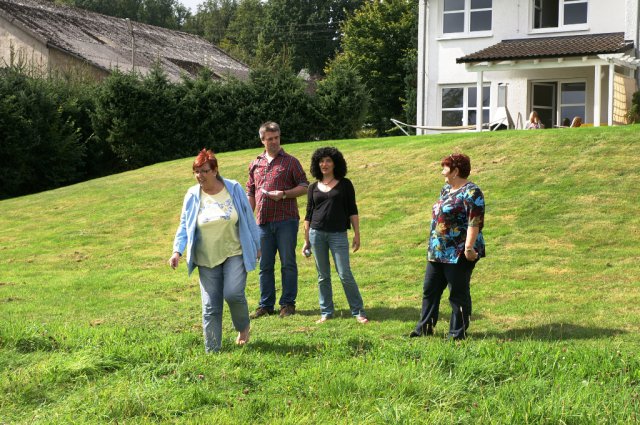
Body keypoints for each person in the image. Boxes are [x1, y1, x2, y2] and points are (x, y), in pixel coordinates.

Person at [169, 149, 261, 353]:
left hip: (234, 252)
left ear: (215, 170)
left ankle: (243, 327)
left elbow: (248, 217)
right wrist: (177, 251)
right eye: (196, 171)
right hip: (206, 258)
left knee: (233, 293)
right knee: (210, 306)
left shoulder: (233, 188)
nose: (200, 175)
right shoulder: (192, 195)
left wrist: (257, 245)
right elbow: (184, 225)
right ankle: (212, 351)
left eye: (204, 171)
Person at [410, 153, 485, 340]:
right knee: (430, 290)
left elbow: (474, 222)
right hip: (438, 250)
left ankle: (457, 334)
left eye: (445, 168)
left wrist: (469, 248)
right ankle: (424, 329)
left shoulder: (472, 192)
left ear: (455, 171)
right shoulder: (446, 189)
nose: (442, 171)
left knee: (457, 293)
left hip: (459, 251)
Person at [246, 122, 309, 319]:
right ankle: (266, 305)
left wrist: (284, 194)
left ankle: (288, 304)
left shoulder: (291, 162)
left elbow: (304, 186)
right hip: (262, 222)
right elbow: (251, 192)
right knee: (265, 265)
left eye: (276, 138)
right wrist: (248, 219)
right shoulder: (255, 163)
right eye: (269, 139)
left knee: (288, 263)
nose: (274, 142)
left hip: (286, 221)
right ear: (262, 140)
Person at [302, 147, 369, 324]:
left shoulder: (345, 184)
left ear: (335, 163)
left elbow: (352, 210)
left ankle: (358, 311)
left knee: (344, 274)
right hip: (316, 235)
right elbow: (308, 215)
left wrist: (357, 234)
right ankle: (326, 312)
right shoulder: (313, 187)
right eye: (321, 161)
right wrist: (306, 240)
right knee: (322, 276)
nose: (324, 164)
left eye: (328, 161)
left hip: (338, 235)